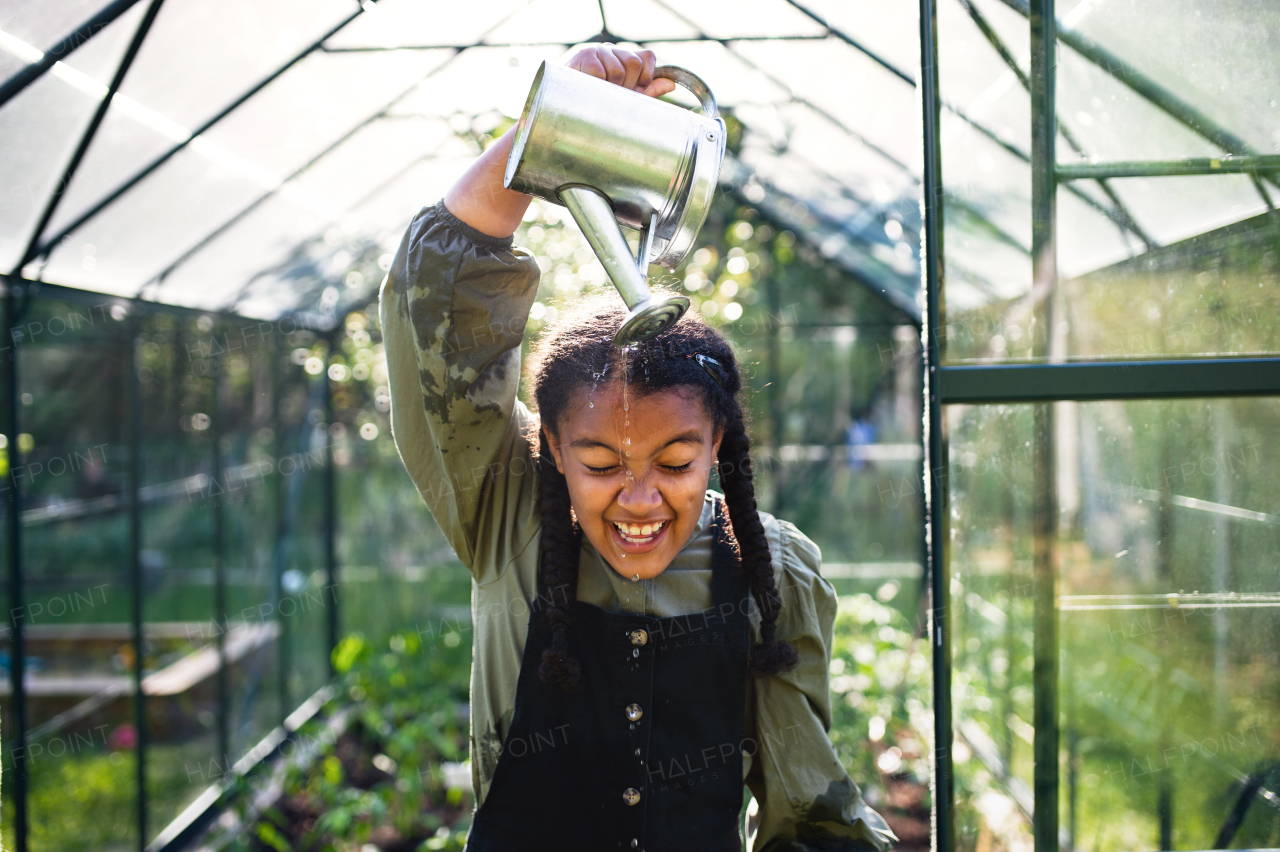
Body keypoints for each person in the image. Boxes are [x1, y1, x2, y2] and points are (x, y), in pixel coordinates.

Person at [380, 44, 896, 852]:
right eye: (600, 465)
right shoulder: (505, 515)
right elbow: (438, 317)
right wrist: (545, 127)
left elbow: (811, 817)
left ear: (718, 442)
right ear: (549, 447)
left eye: (676, 463)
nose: (641, 500)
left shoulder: (767, 570)